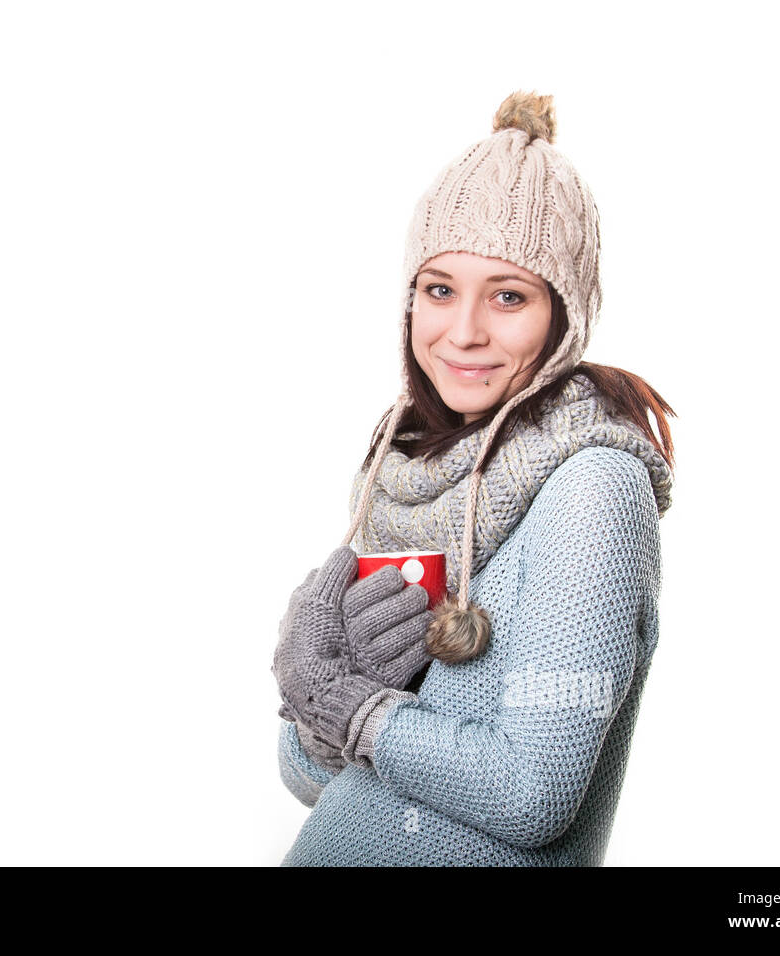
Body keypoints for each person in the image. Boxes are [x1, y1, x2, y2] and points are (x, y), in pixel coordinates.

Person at [271, 90, 677, 866]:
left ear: (564, 314)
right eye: (440, 289)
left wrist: (347, 702)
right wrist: (327, 688)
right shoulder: (404, 473)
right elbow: (310, 779)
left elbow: (532, 795)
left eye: (509, 296)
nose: (463, 332)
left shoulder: (594, 487)